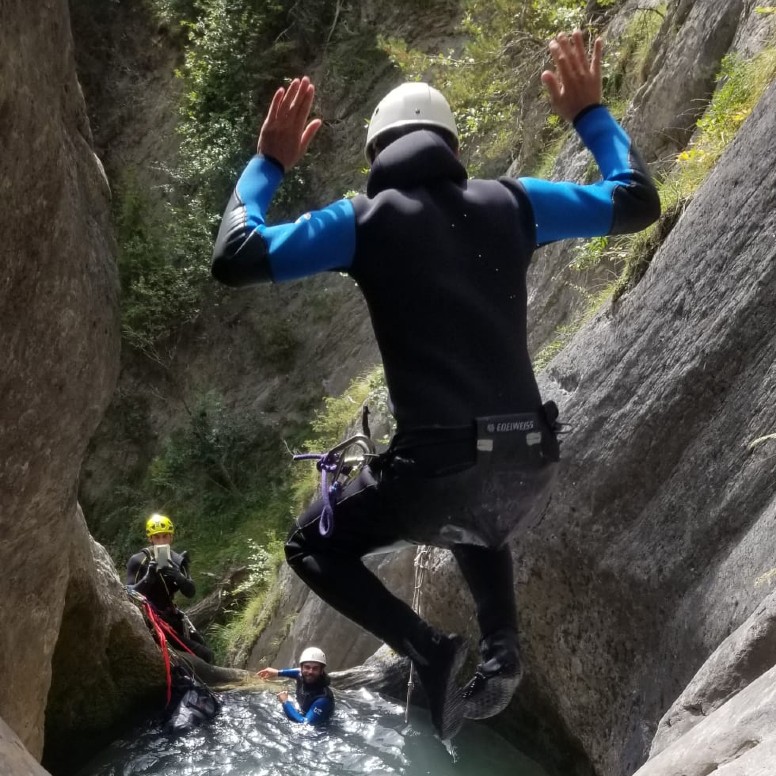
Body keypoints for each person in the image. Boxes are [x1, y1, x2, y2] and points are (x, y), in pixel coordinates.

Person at [211, 31, 660, 738]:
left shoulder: (360, 222)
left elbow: (235, 255)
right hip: (530, 462)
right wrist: (590, 115)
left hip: (436, 471)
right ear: (452, 147)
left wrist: (269, 162)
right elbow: (635, 200)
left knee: (312, 546)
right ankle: (503, 650)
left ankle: (428, 648)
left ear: (375, 157)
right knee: (477, 506)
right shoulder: (516, 203)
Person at [126, 513, 214, 663]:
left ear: (171, 537)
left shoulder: (178, 560)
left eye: (165, 536)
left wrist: (178, 576)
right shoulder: (139, 560)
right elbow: (128, 594)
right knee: (203, 655)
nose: (161, 541)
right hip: (152, 621)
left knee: (208, 654)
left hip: (172, 618)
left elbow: (190, 592)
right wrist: (148, 578)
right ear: (150, 539)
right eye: (157, 537)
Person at [257, 646, 334, 725]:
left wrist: (285, 702)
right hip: (302, 710)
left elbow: (305, 723)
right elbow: (298, 672)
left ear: (321, 671)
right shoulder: (301, 674)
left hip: (316, 730)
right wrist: (277, 672)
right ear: (301, 667)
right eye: (307, 667)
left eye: (315, 668)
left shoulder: (323, 699)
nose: (310, 672)